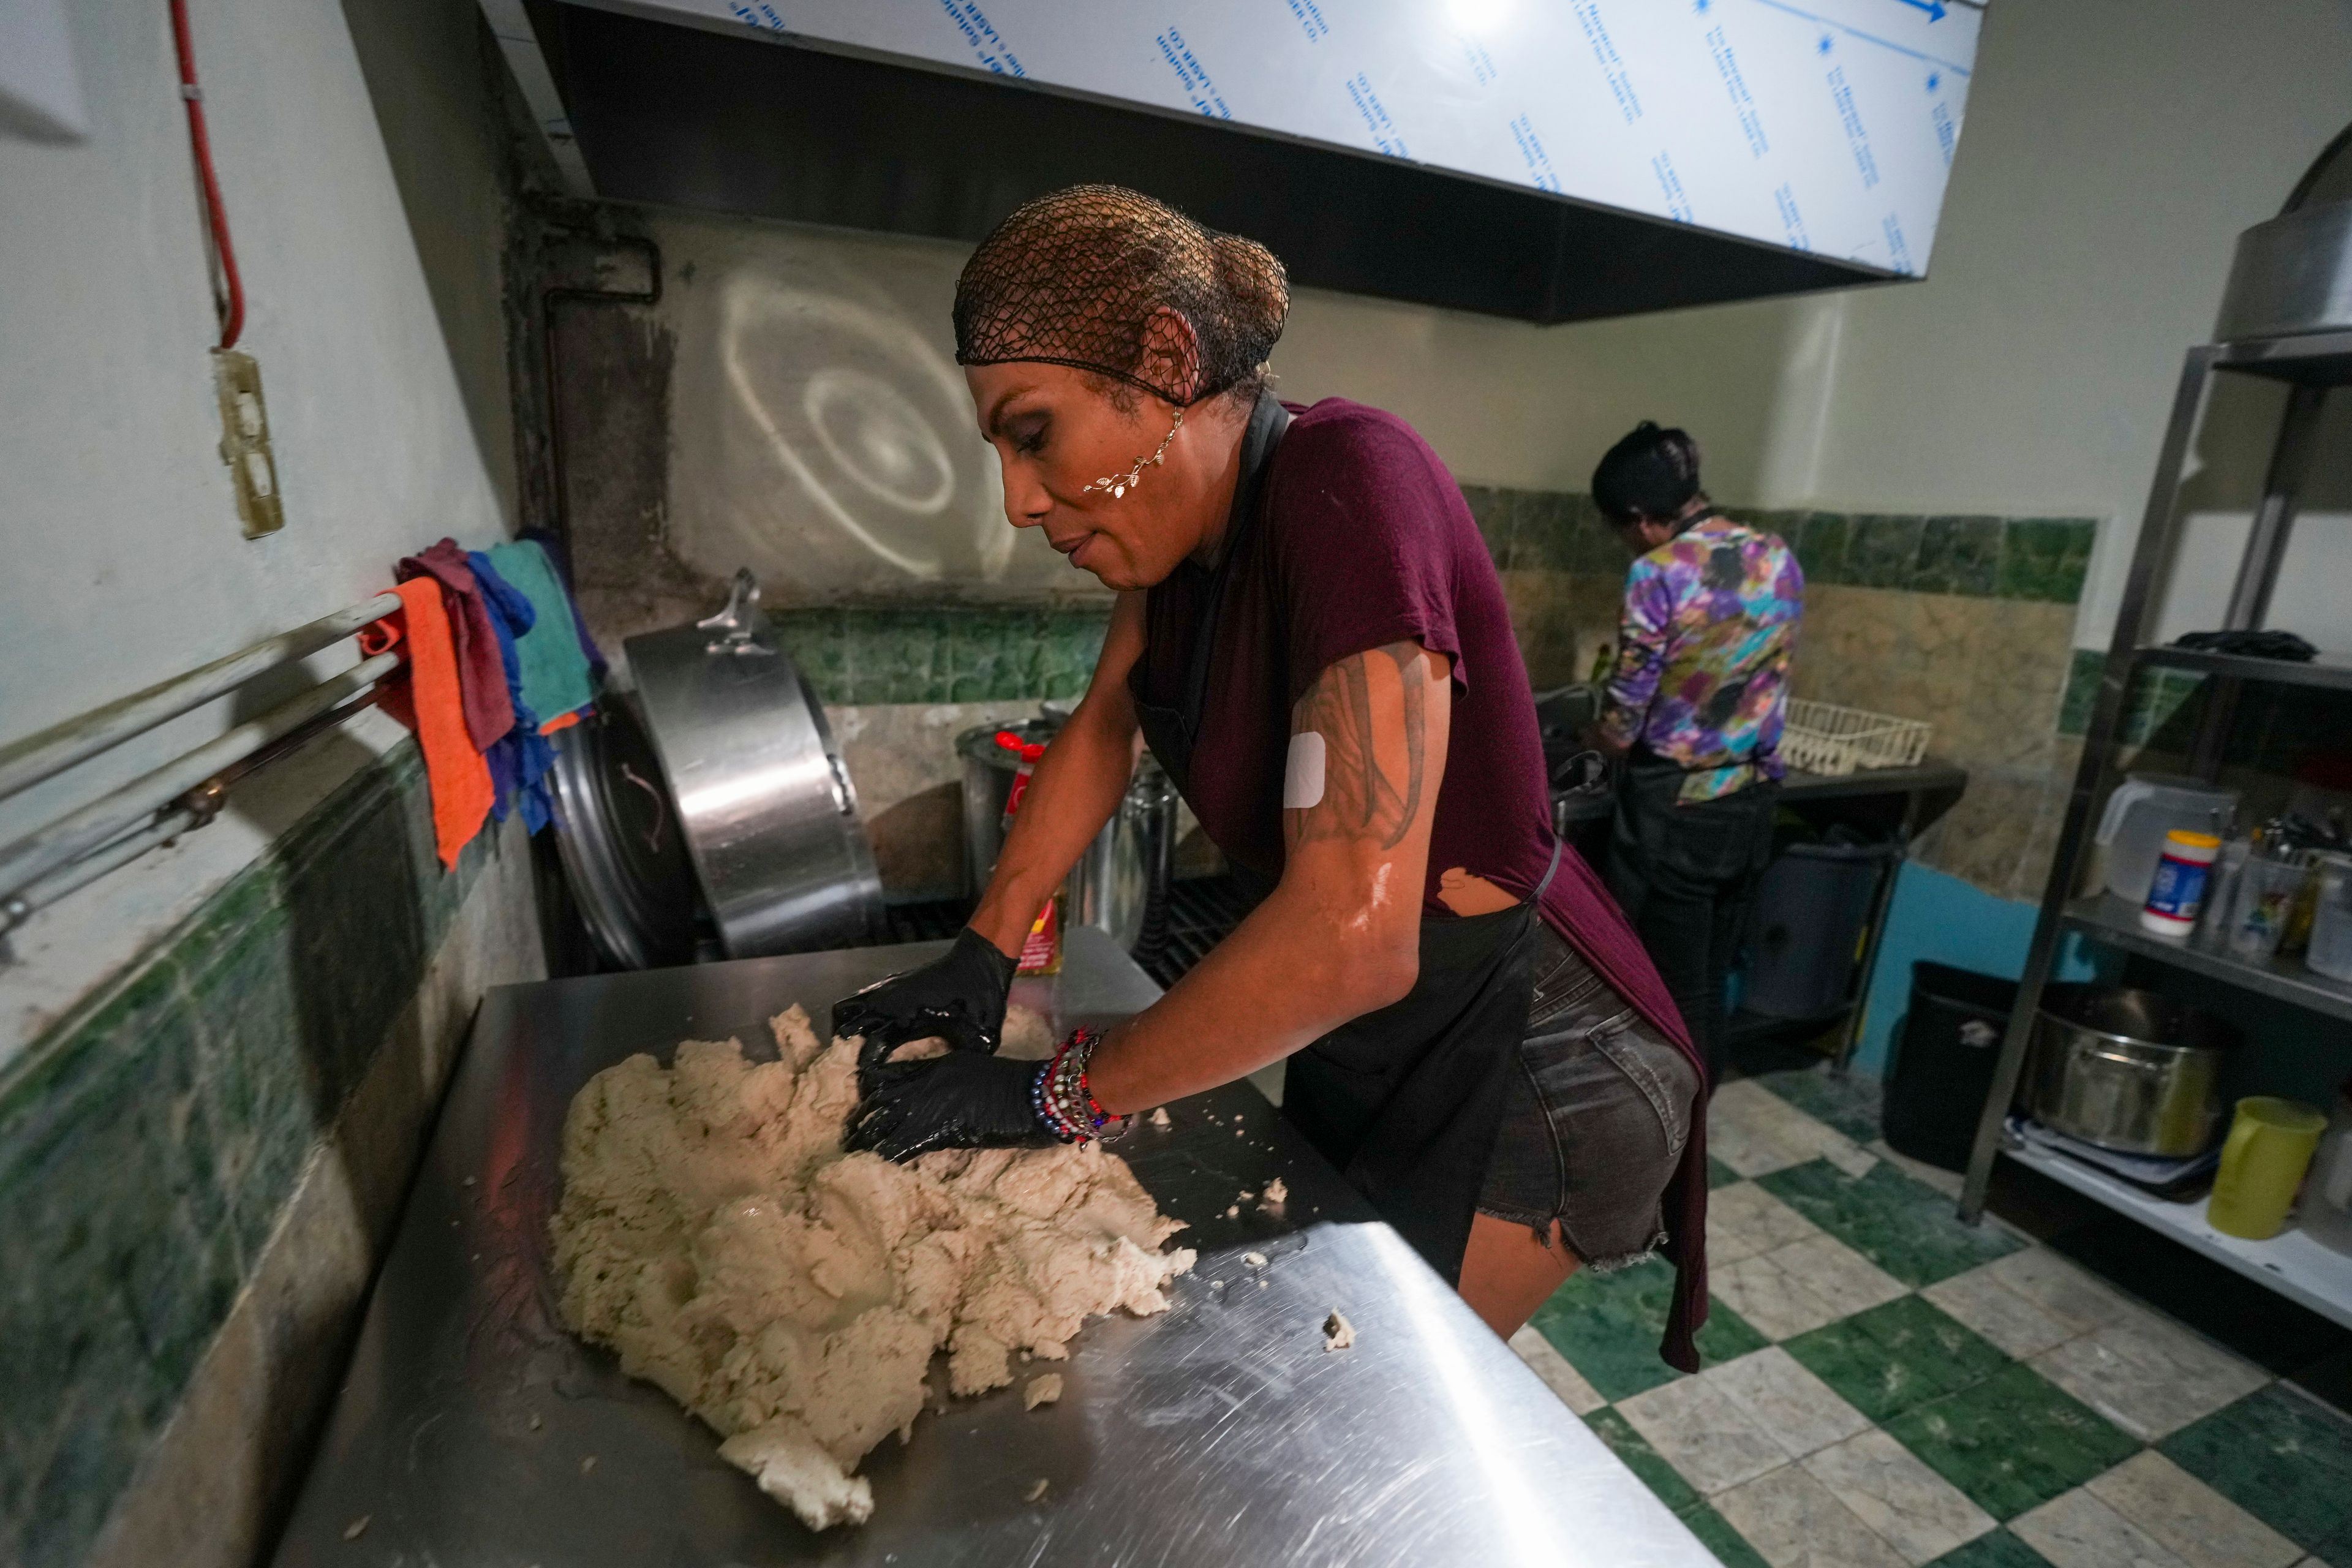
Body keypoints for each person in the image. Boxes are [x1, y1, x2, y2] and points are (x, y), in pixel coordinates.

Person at [832, 187, 1711, 1363]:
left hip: (1536, 1061)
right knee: (1331, 1350)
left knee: (1375, 1396)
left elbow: (1355, 935)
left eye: (1032, 433)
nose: (1019, 499)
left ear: (1164, 362)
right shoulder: (1180, 552)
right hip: (1378, 1035)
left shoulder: (1352, 483)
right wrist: (986, 948)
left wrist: (1057, 1097)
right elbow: (1103, 729)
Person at [1585, 422, 1804, 1082]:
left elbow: (1626, 718)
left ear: (1641, 520)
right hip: (1752, 802)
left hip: (1676, 807)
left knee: (1662, 981)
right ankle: (1696, 1119)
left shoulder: (1658, 573)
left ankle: (1671, 1130)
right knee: (1709, 975)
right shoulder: (1775, 555)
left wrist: (1597, 739)